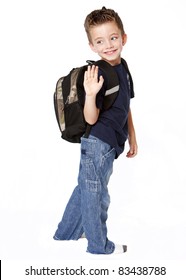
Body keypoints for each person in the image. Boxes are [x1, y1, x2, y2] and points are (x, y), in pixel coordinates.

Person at [53, 6, 138, 255]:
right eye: (100, 41)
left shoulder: (123, 67)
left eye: (113, 38)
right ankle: (99, 246)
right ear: (92, 46)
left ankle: (64, 235)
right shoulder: (98, 72)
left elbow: (126, 105)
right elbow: (91, 117)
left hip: (110, 144)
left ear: (123, 38)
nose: (108, 45)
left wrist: (133, 136)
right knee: (96, 196)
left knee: (86, 189)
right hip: (97, 142)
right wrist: (90, 94)